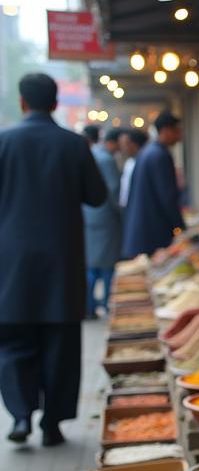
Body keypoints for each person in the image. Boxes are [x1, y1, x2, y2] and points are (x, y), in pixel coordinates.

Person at [0, 73, 106, 445]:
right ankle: (52, 425)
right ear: (56, 103)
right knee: (60, 343)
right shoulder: (73, 144)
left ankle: (20, 417)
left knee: (14, 343)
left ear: (22, 102)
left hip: (11, 263)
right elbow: (97, 196)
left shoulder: (3, 141)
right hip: (62, 260)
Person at [121, 111, 184, 256]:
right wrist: (180, 227)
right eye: (177, 131)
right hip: (152, 232)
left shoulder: (147, 152)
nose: (179, 136)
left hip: (141, 229)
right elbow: (167, 196)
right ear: (166, 130)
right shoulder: (159, 155)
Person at [83, 127, 122, 319]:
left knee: (91, 267)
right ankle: (108, 304)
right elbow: (114, 191)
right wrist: (122, 215)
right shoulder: (107, 159)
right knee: (107, 267)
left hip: (89, 217)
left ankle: (89, 307)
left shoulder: (91, 155)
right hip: (105, 219)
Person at [118, 127, 146, 208]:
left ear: (134, 144)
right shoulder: (129, 162)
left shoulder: (145, 163)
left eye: (125, 144)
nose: (122, 147)